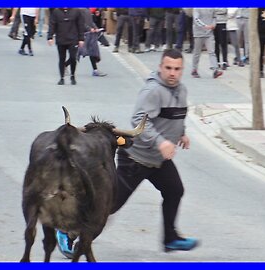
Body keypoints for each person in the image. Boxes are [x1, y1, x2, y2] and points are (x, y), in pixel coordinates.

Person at [56, 49, 198, 257]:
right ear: (160, 67)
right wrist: (161, 142)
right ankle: (67, 231)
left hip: (158, 160)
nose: (172, 73)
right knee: (109, 206)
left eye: (177, 69)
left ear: (182, 70)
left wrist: (182, 134)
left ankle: (170, 239)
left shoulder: (181, 90)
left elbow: (176, 116)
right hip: (136, 159)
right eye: (168, 68)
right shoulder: (152, 91)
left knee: (175, 190)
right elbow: (139, 121)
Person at [47, 8, 85, 85]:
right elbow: (52, 24)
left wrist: (81, 39)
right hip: (61, 38)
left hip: (73, 38)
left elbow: (80, 25)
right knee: (62, 58)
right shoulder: (56, 12)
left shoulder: (76, 11)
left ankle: (72, 75)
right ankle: (62, 77)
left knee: (73, 57)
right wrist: (50, 37)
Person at [191, 8, 223, 79]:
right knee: (197, 52)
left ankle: (215, 70)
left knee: (212, 52)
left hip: (209, 33)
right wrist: (205, 26)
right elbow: (196, 19)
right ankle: (194, 69)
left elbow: (214, 17)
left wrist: (213, 25)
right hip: (198, 33)